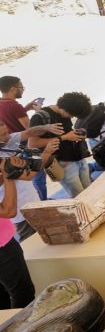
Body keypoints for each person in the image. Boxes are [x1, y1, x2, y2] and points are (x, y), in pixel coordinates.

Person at [0, 121, 61, 241]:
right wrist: (47, 152)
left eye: (2, 124)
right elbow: (29, 176)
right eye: (1, 129)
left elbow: (29, 132)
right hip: (21, 214)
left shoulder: (6, 141)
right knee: (33, 244)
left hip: (32, 202)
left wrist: (46, 127)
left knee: (49, 237)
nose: (4, 128)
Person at [28, 92, 92, 198]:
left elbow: (66, 132)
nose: (71, 117)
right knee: (81, 197)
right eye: (71, 115)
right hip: (63, 163)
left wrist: (76, 133)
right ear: (65, 107)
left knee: (90, 190)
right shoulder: (40, 117)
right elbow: (32, 143)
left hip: (78, 157)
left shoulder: (65, 111)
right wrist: (65, 137)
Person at [0, 154, 35, 309]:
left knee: (4, 297)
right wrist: (8, 177)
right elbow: (8, 211)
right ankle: (22, 330)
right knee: (23, 292)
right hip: (3, 248)